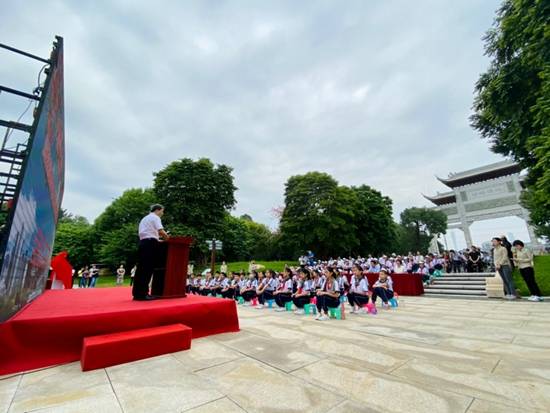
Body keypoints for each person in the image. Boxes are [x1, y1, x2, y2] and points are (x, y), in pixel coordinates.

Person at [132, 204, 169, 301]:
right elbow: (161, 231)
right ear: (157, 210)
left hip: (143, 243)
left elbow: (149, 233)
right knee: (148, 268)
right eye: (162, 211)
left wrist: (157, 239)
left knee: (141, 269)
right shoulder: (155, 218)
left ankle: (137, 293)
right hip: (150, 244)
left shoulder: (145, 218)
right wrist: (167, 239)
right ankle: (143, 294)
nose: (162, 213)